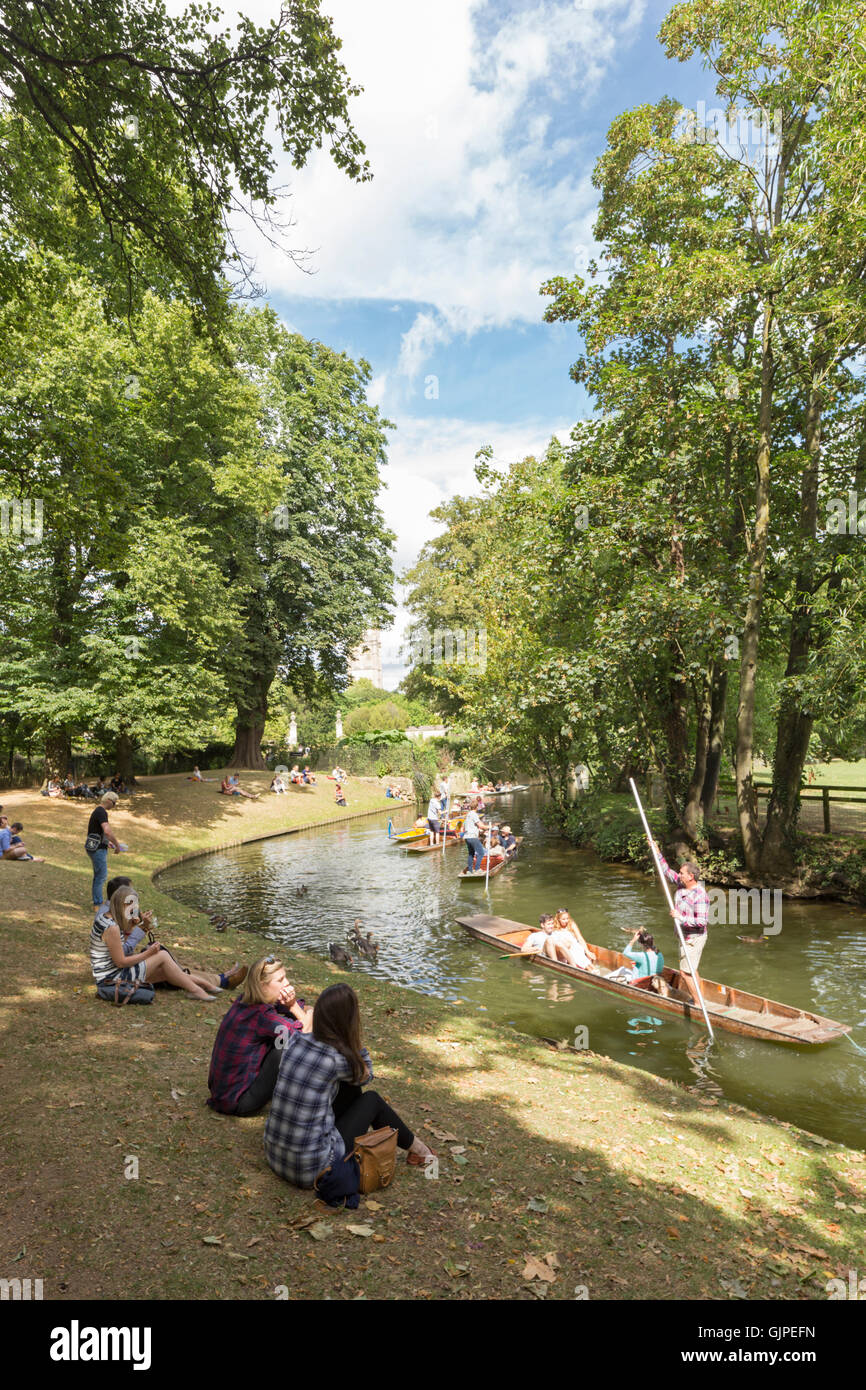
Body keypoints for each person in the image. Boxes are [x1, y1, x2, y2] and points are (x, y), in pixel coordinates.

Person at [263, 983, 434, 1191]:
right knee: (371, 1099)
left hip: (274, 1156)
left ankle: (417, 1149)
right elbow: (366, 1075)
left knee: (349, 1088)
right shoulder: (337, 1060)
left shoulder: (293, 1041)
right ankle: (420, 1150)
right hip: (312, 1170)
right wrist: (353, 1042)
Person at [208, 956, 312, 1116]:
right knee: (285, 1047)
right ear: (263, 986)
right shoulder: (263, 1016)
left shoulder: (244, 1000)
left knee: (287, 1034)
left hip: (222, 1094)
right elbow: (305, 1035)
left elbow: (285, 1014)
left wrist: (297, 1009)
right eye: (281, 980)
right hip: (240, 1102)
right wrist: (295, 1007)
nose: (287, 984)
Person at [90, 885, 223, 1001]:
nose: (134, 912)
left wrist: (142, 925)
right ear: (123, 905)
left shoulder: (105, 918)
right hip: (111, 979)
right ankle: (198, 991)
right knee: (162, 956)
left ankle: (206, 985)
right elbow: (121, 962)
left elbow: (120, 945)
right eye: (132, 908)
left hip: (110, 973)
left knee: (166, 971)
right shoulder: (112, 927)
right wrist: (149, 953)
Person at [652, 841, 709, 1002]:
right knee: (692, 969)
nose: (679, 874)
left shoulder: (700, 896)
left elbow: (702, 921)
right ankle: (701, 998)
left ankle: (698, 1003)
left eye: (682, 872)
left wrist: (680, 918)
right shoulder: (681, 884)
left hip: (693, 938)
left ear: (691, 876)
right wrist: (657, 852)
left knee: (685, 972)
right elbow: (667, 872)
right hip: (685, 937)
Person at [85, 791, 126, 907]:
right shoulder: (101, 812)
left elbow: (97, 831)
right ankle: (98, 904)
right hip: (97, 849)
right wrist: (117, 845)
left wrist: (107, 843)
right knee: (101, 876)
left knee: (98, 875)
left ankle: (97, 901)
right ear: (108, 800)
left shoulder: (98, 811)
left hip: (95, 846)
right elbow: (107, 831)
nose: (115, 805)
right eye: (114, 802)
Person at [460, 798, 487, 872]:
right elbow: (480, 825)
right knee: (481, 852)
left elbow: (468, 826)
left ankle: (470, 870)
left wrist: (481, 830)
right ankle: (477, 869)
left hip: (467, 837)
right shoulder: (474, 814)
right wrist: (488, 827)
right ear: (477, 807)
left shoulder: (468, 815)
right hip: (472, 837)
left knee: (471, 853)